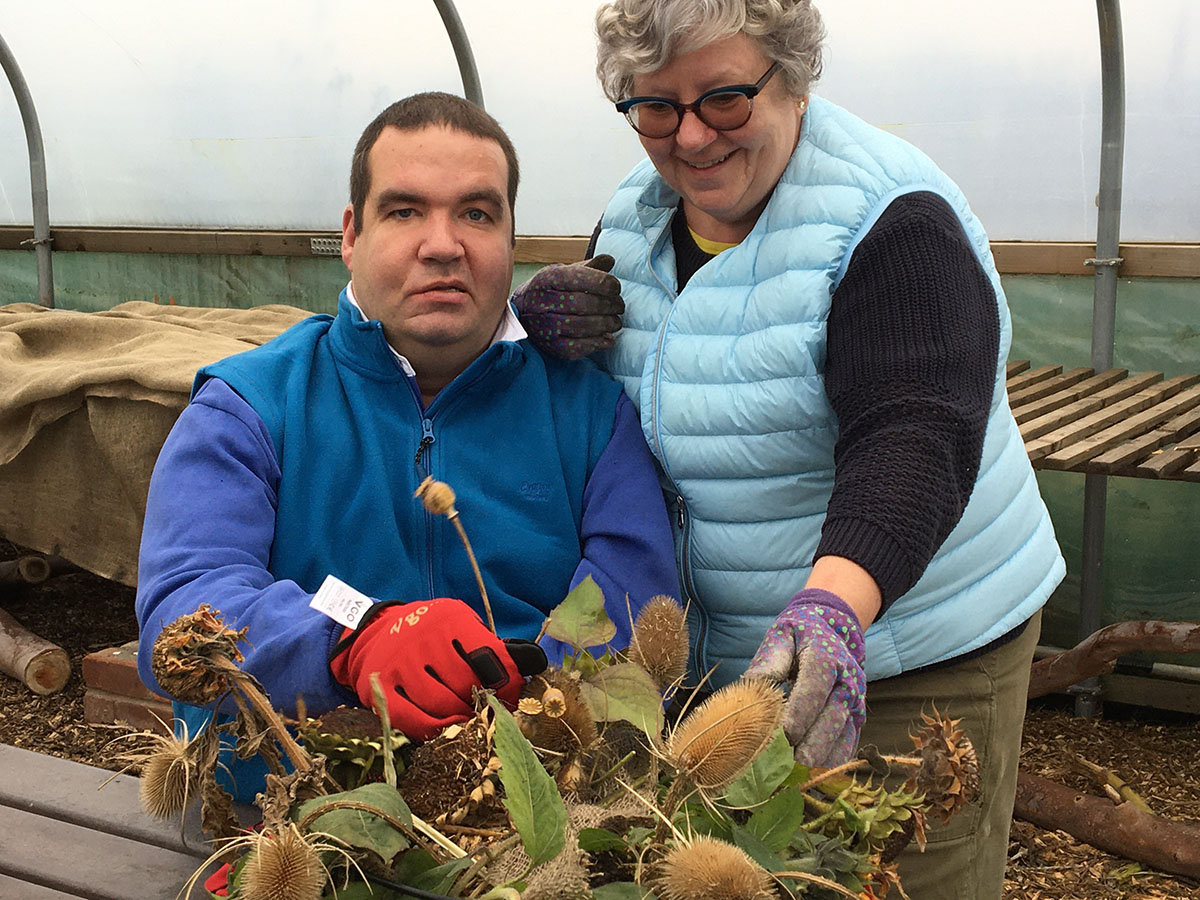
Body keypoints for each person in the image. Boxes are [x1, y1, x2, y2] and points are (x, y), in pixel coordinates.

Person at [511, 2, 1065, 897]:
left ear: (794, 77)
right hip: (716, 661)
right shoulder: (635, 215)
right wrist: (532, 333)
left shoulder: (890, 221)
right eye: (655, 106)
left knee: (887, 873)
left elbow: (916, 431)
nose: (690, 136)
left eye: (724, 99)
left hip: (903, 647)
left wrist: (835, 607)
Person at [135, 92, 679, 800]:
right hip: (296, 825)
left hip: (538, 822)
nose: (443, 243)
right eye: (405, 210)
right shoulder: (250, 407)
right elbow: (185, 604)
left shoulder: (589, 413)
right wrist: (353, 637)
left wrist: (520, 710)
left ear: (513, 243)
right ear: (351, 236)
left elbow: (637, 606)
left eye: (477, 214)